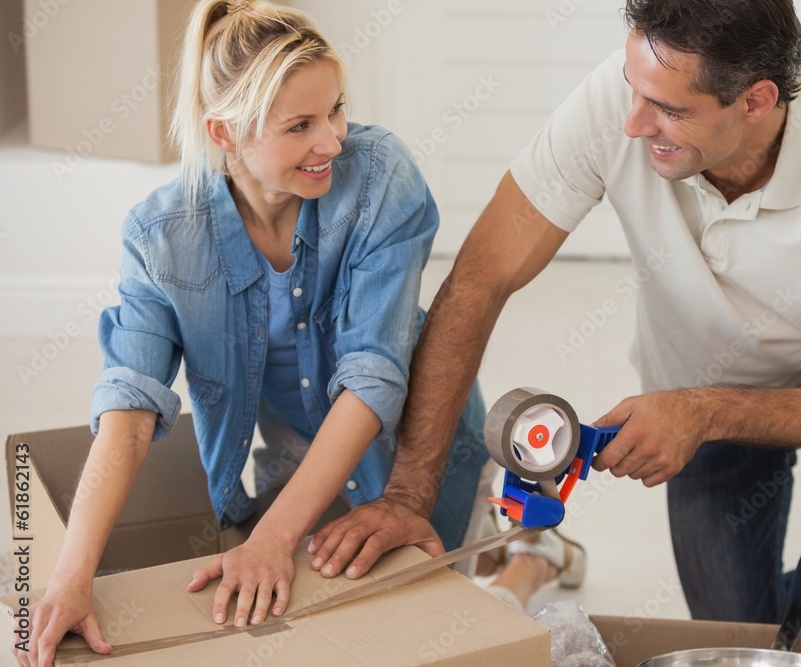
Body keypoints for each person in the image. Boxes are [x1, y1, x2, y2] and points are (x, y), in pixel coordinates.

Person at [310, 0, 801, 630]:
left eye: (668, 108)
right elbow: (478, 279)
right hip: (696, 367)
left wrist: (703, 413)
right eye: (634, 90)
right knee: (740, 633)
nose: (633, 122)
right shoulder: (618, 100)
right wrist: (407, 491)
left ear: (757, 101)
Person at [13, 1, 547, 664]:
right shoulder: (162, 238)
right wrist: (70, 576)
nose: (332, 139)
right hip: (300, 458)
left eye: (336, 110)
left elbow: (373, 377)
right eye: (300, 125)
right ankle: (512, 547)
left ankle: (529, 559)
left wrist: (272, 537)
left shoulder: (380, 179)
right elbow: (129, 404)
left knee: (448, 631)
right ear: (224, 133)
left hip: (411, 444)